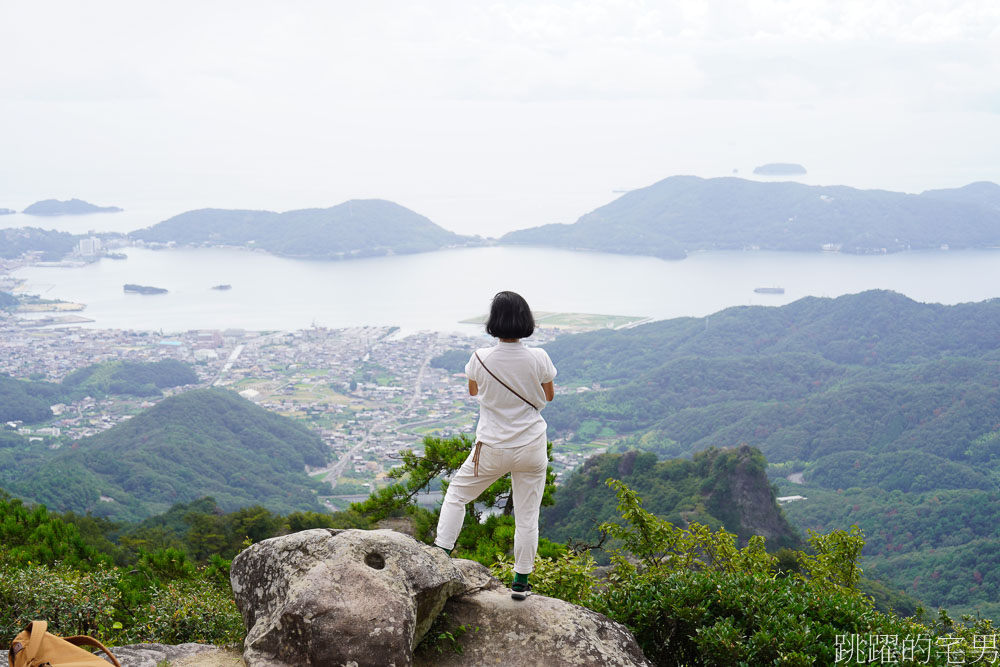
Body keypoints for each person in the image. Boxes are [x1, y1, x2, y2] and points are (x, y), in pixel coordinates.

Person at [433, 291, 556, 600]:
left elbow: (474, 391)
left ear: (494, 322)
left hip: (492, 446)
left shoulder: (479, 358)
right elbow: (549, 395)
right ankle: (520, 582)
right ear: (526, 320)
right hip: (531, 446)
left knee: (458, 495)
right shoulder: (539, 356)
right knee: (528, 516)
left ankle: (439, 555)